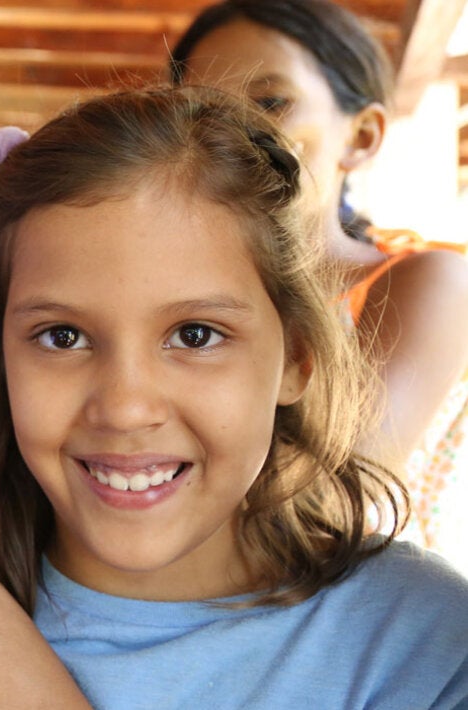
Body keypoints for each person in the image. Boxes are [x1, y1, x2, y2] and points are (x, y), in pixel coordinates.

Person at [0, 86, 468, 709]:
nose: (124, 408)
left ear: (296, 359)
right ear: (0, 357)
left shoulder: (425, 646)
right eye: (62, 336)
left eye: (195, 336)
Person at [170, 0, 468, 573]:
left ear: (362, 135)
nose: (230, 133)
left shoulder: (428, 282)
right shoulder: (168, 302)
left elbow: (331, 502)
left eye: (271, 103)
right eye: (201, 113)